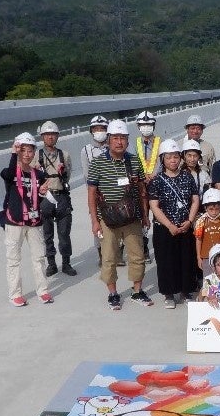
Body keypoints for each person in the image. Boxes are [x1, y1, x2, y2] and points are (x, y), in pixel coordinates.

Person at [86, 119, 153, 311]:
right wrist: (95, 221)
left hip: (132, 217)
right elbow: (91, 193)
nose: (119, 142)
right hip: (108, 219)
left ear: (128, 140)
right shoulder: (98, 163)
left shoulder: (134, 160)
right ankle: (113, 293)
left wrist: (145, 215)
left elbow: (141, 190)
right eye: (115, 138)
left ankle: (137, 291)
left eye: (123, 138)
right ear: (108, 140)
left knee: (137, 255)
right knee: (109, 257)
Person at [0, 132, 52, 306]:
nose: (27, 154)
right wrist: (13, 154)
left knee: (39, 257)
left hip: (35, 222)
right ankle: (15, 294)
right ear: (17, 152)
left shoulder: (39, 175)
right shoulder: (10, 173)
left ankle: (43, 291)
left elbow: (42, 195)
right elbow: (7, 175)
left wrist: (45, 193)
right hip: (14, 222)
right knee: (13, 260)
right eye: (23, 151)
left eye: (30, 151)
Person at [148, 139, 200, 309]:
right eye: (169, 157)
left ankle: (186, 291)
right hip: (164, 229)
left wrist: (190, 221)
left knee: (186, 260)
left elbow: (195, 200)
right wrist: (169, 225)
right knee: (166, 261)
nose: (173, 160)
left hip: (185, 226)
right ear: (162, 159)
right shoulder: (157, 180)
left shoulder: (187, 177)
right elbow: (154, 206)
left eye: (176, 157)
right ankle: (169, 294)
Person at [34, 120, 76, 277]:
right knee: (47, 233)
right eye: (47, 135)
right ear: (42, 137)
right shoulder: (36, 156)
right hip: (45, 198)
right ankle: (51, 263)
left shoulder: (64, 155)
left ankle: (66, 262)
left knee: (64, 233)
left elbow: (68, 175)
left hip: (61, 196)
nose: (50, 137)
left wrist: (61, 172)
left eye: (53, 134)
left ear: (57, 136)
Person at [80, 115, 110, 267]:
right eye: (96, 129)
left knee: (117, 221)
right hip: (97, 194)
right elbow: (86, 175)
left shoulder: (113, 147)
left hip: (113, 193)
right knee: (97, 224)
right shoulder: (87, 150)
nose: (99, 131)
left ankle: (117, 253)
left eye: (102, 129)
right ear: (91, 131)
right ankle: (101, 253)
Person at [135, 110, 162, 263]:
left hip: (157, 184)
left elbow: (163, 161)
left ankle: (160, 246)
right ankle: (144, 248)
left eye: (149, 124)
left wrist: (154, 175)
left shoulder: (160, 142)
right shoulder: (135, 143)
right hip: (142, 185)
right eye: (143, 124)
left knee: (159, 217)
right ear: (138, 126)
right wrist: (142, 177)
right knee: (142, 217)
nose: (146, 127)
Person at [194, 188, 220, 278]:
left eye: (217, 209)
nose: (214, 212)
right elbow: (198, 240)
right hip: (206, 257)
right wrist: (199, 257)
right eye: (211, 209)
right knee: (208, 279)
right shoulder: (201, 221)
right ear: (205, 208)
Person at [181, 139, 212, 203]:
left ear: (199, 157)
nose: (192, 159)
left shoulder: (204, 175)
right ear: (184, 156)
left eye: (195, 156)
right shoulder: (178, 173)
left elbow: (207, 196)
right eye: (189, 155)